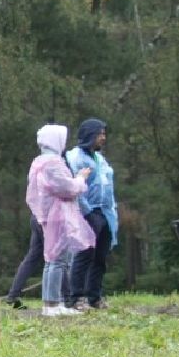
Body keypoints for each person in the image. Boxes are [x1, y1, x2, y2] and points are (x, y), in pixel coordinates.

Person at [25, 124, 95, 316]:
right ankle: (54, 304)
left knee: (52, 259)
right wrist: (81, 178)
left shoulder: (38, 162)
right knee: (58, 260)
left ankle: (51, 303)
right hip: (59, 214)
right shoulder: (53, 163)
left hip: (49, 213)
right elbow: (67, 188)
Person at [64, 119, 118, 310]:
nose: (103, 138)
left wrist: (111, 212)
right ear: (89, 135)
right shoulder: (75, 157)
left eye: (104, 133)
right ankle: (76, 297)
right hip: (87, 213)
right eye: (99, 134)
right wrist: (87, 213)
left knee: (100, 258)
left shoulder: (99, 158)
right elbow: (75, 187)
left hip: (105, 213)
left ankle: (94, 297)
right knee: (84, 254)